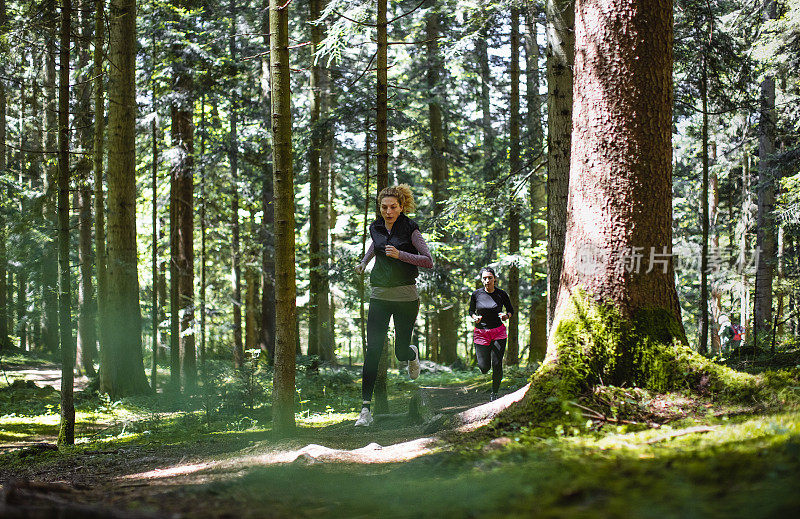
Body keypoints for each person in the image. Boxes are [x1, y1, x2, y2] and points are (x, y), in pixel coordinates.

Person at [353, 184, 433, 427]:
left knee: (399, 351)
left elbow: (428, 261)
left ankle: (411, 354)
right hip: (379, 294)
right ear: (380, 207)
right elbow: (375, 246)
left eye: (393, 207)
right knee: (373, 351)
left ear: (401, 207)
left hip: (405, 297)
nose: (388, 211)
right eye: (384, 207)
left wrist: (401, 255)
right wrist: (364, 262)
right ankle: (365, 411)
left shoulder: (410, 228)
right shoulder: (375, 226)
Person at [468, 267, 514, 401]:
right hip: (481, 333)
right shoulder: (476, 294)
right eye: (484, 278)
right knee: (484, 367)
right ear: (481, 280)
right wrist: (474, 317)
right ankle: (485, 368)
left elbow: (511, 310)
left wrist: (507, 316)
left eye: (489, 278)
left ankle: (494, 393)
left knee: (497, 363)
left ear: (494, 279)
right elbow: (471, 310)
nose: (487, 281)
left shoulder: (501, 294)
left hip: (498, 331)